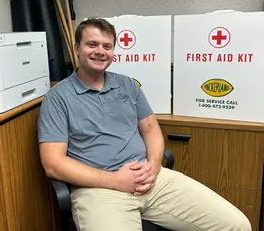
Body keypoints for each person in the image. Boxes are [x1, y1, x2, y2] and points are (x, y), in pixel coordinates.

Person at [38, 18, 251, 231]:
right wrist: (115, 180)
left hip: (150, 179)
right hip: (98, 189)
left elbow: (151, 131)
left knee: (237, 225)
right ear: (77, 48)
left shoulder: (128, 85)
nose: (100, 51)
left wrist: (154, 165)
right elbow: (53, 163)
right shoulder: (58, 98)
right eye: (92, 44)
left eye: (107, 46)